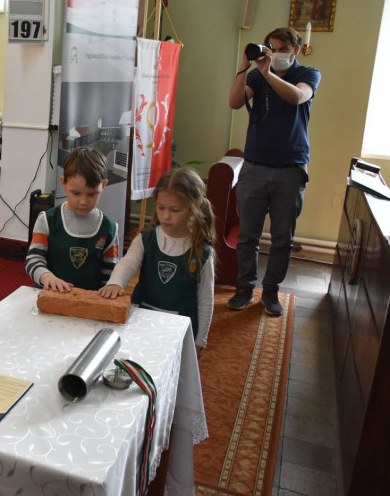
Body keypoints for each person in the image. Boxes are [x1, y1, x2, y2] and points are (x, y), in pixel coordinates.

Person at [227, 27, 320, 316]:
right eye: (271, 47)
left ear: (295, 50)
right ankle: (244, 288)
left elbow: (297, 97)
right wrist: (244, 67)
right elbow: (234, 102)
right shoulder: (256, 74)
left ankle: (270, 292)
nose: (275, 53)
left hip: (290, 169)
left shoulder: (308, 74)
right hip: (255, 166)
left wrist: (268, 74)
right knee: (248, 236)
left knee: (282, 238)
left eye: (281, 49)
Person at [101, 168, 216, 358]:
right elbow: (126, 264)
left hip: (178, 328)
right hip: (141, 319)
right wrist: (115, 282)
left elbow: (206, 300)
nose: (166, 216)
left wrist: (200, 340)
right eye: (161, 207)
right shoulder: (145, 239)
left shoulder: (203, 252)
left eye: (175, 210)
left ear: (193, 208)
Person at [26, 147, 121, 294]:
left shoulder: (109, 228)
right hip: (50, 295)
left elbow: (110, 272)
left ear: (103, 186)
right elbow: (33, 259)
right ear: (64, 183)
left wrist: (111, 287)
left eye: (92, 194)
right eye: (76, 193)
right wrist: (46, 277)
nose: (83, 202)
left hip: (88, 300)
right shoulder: (47, 220)